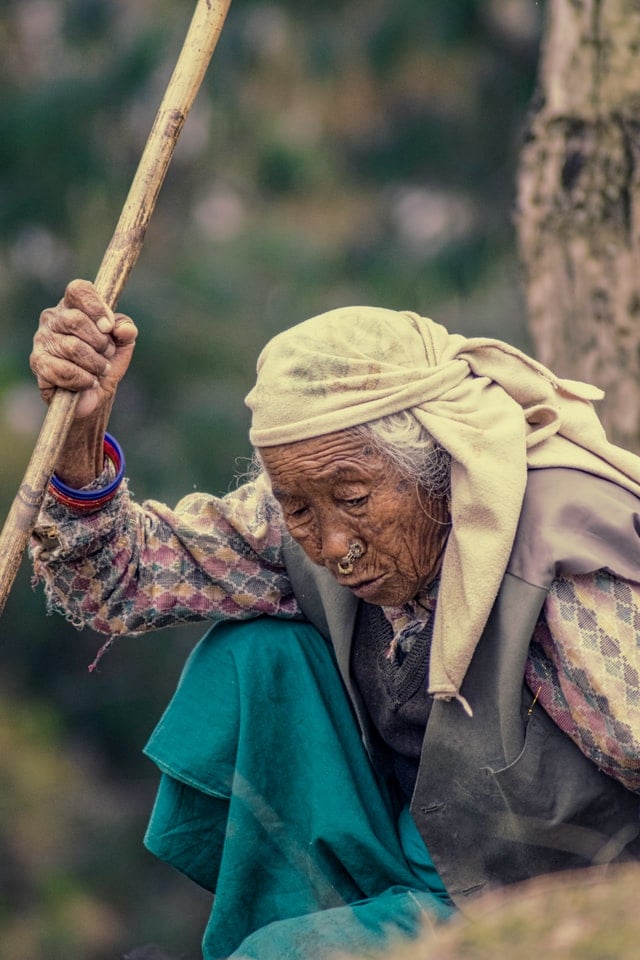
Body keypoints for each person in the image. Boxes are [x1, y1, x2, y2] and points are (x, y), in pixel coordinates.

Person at [29, 279, 640, 959]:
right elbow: (124, 581)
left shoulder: (561, 558)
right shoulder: (311, 510)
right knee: (256, 655)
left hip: (530, 895)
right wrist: (78, 443)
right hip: (407, 839)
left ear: (438, 464)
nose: (332, 547)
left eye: (353, 498)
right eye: (299, 508)